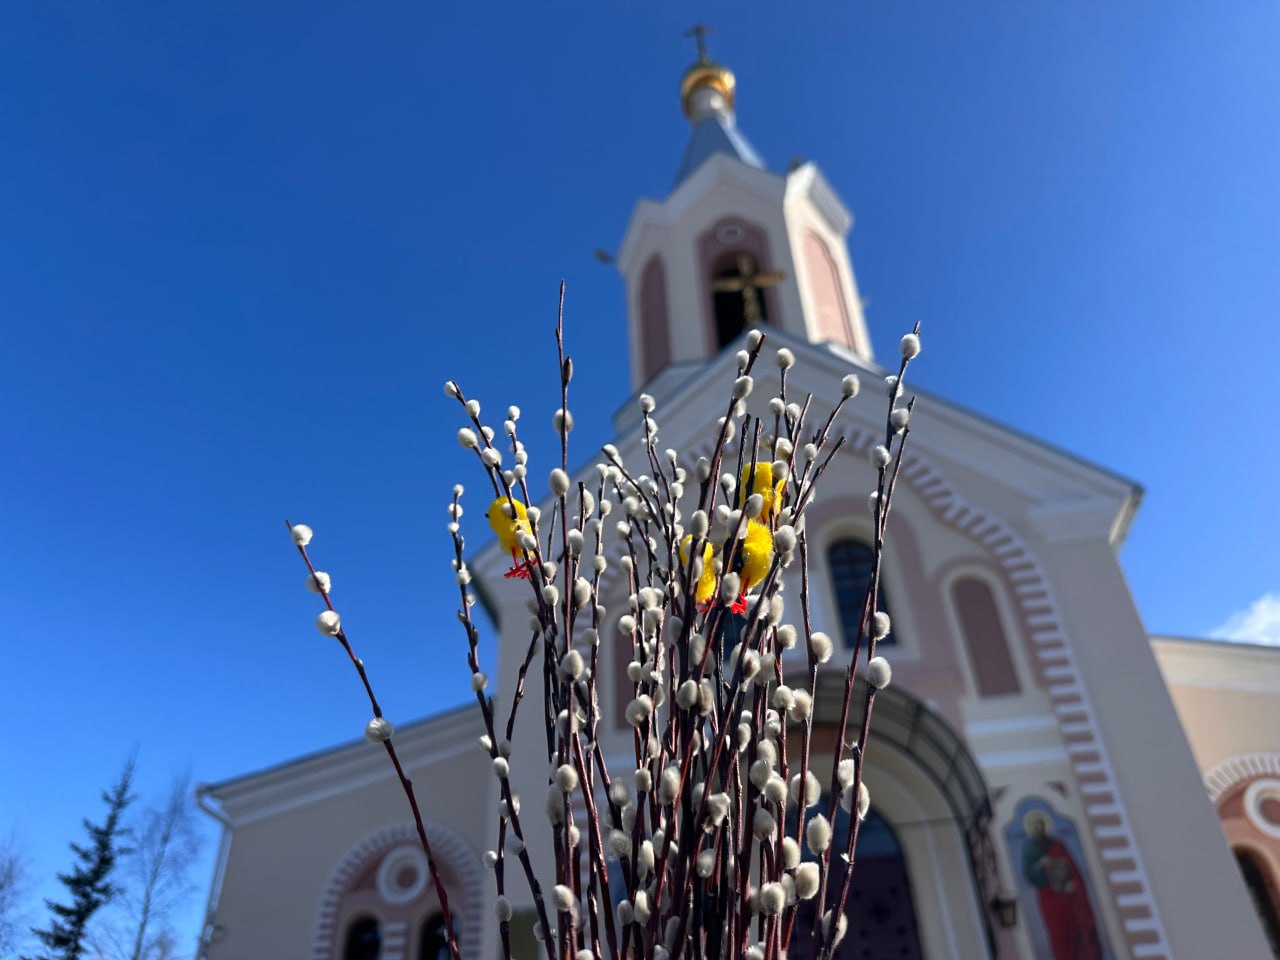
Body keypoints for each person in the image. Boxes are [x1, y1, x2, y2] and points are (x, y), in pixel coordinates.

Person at [1021, 809, 1103, 960]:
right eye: (1034, 825)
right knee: (1058, 932)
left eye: (1039, 824)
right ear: (1030, 829)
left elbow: (1073, 869)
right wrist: (1040, 864)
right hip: (1049, 897)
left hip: (1067, 895)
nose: (1037, 828)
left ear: (1044, 825)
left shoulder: (1057, 844)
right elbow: (1028, 873)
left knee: (1076, 928)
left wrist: (1073, 885)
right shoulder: (1029, 849)